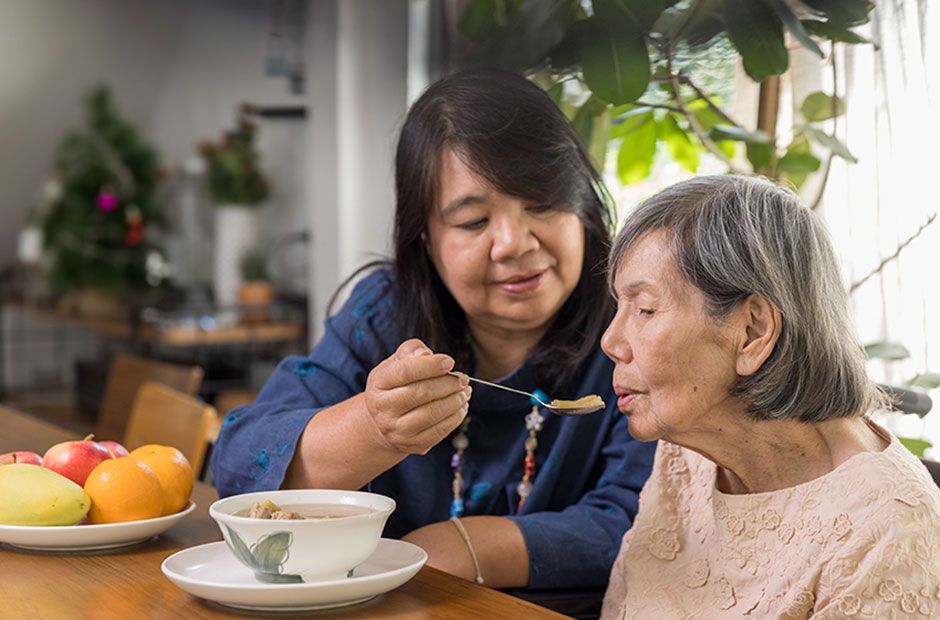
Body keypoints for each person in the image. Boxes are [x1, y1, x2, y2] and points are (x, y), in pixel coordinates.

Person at [210, 69, 656, 591]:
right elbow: (240, 467)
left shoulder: (636, 328)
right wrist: (373, 428)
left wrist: (460, 548)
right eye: (472, 222)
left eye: (541, 203)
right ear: (424, 237)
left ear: (582, 206)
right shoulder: (384, 313)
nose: (513, 242)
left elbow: (643, 519)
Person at [599, 174, 940, 619]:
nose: (611, 341)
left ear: (752, 332)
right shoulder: (688, 454)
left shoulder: (887, 531)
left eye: (644, 309)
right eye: (618, 308)